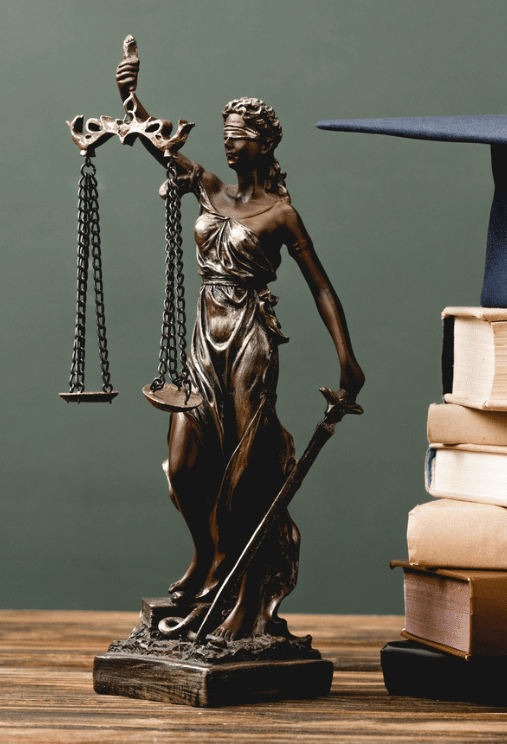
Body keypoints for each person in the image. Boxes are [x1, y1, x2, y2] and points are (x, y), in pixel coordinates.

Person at [116, 54, 365, 646]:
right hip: (205, 334)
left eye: (239, 139)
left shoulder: (280, 215)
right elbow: (160, 147)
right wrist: (132, 101)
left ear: (264, 145)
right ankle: (209, 560)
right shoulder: (208, 190)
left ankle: (244, 594)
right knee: (183, 464)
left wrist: (346, 358)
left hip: (251, 335)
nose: (229, 148)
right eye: (225, 139)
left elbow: (322, 287)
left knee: (245, 472)